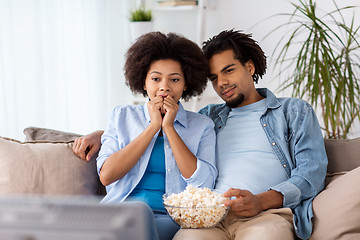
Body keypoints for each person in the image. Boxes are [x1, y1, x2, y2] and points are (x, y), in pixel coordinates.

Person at [73, 29, 328, 240]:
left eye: (229, 71)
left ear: (249, 67)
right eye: (214, 77)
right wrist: (101, 134)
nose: (222, 84)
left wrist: (261, 202)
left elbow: (311, 173)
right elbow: (161, 127)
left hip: (263, 213)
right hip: (208, 217)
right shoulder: (211, 116)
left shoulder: (293, 111)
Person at [76, 31, 217, 240]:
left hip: (169, 219)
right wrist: (153, 127)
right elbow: (107, 175)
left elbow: (204, 184)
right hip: (118, 214)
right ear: (144, 83)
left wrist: (169, 127)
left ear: (186, 84)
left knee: (140, 216)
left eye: (174, 79)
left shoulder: (202, 126)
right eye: (156, 78)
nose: (164, 87)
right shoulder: (121, 116)